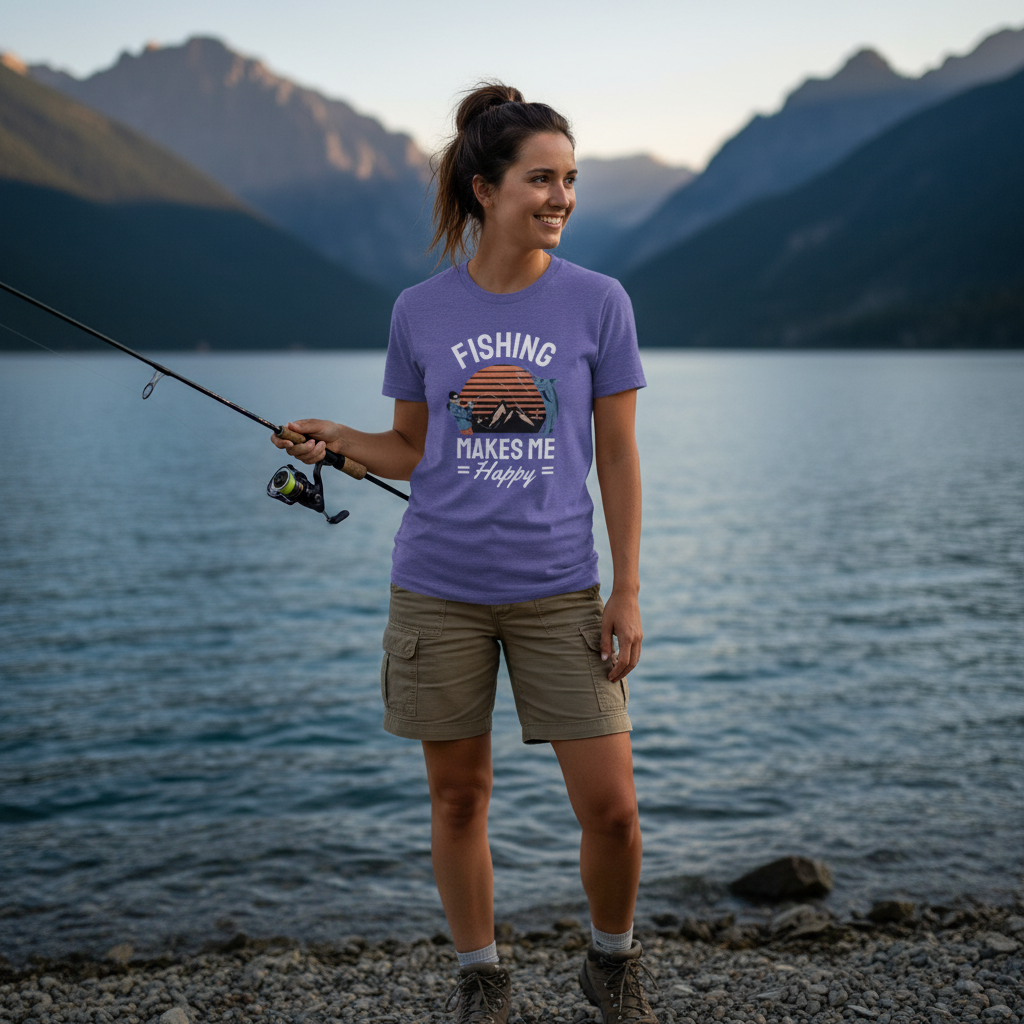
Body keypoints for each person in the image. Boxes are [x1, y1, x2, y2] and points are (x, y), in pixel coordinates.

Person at [272, 82, 653, 1024]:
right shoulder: (419, 311)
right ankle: (482, 978)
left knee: (612, 811)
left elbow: (617, 455)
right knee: (458, 799)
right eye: (541, 179)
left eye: (570, 180)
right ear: (485, 189)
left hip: (563, 591)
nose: (561, 197)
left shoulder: (599, 303)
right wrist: (340, 441)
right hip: (437, 589)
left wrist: (628, 588)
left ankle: (610, 960)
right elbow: (409, 449)